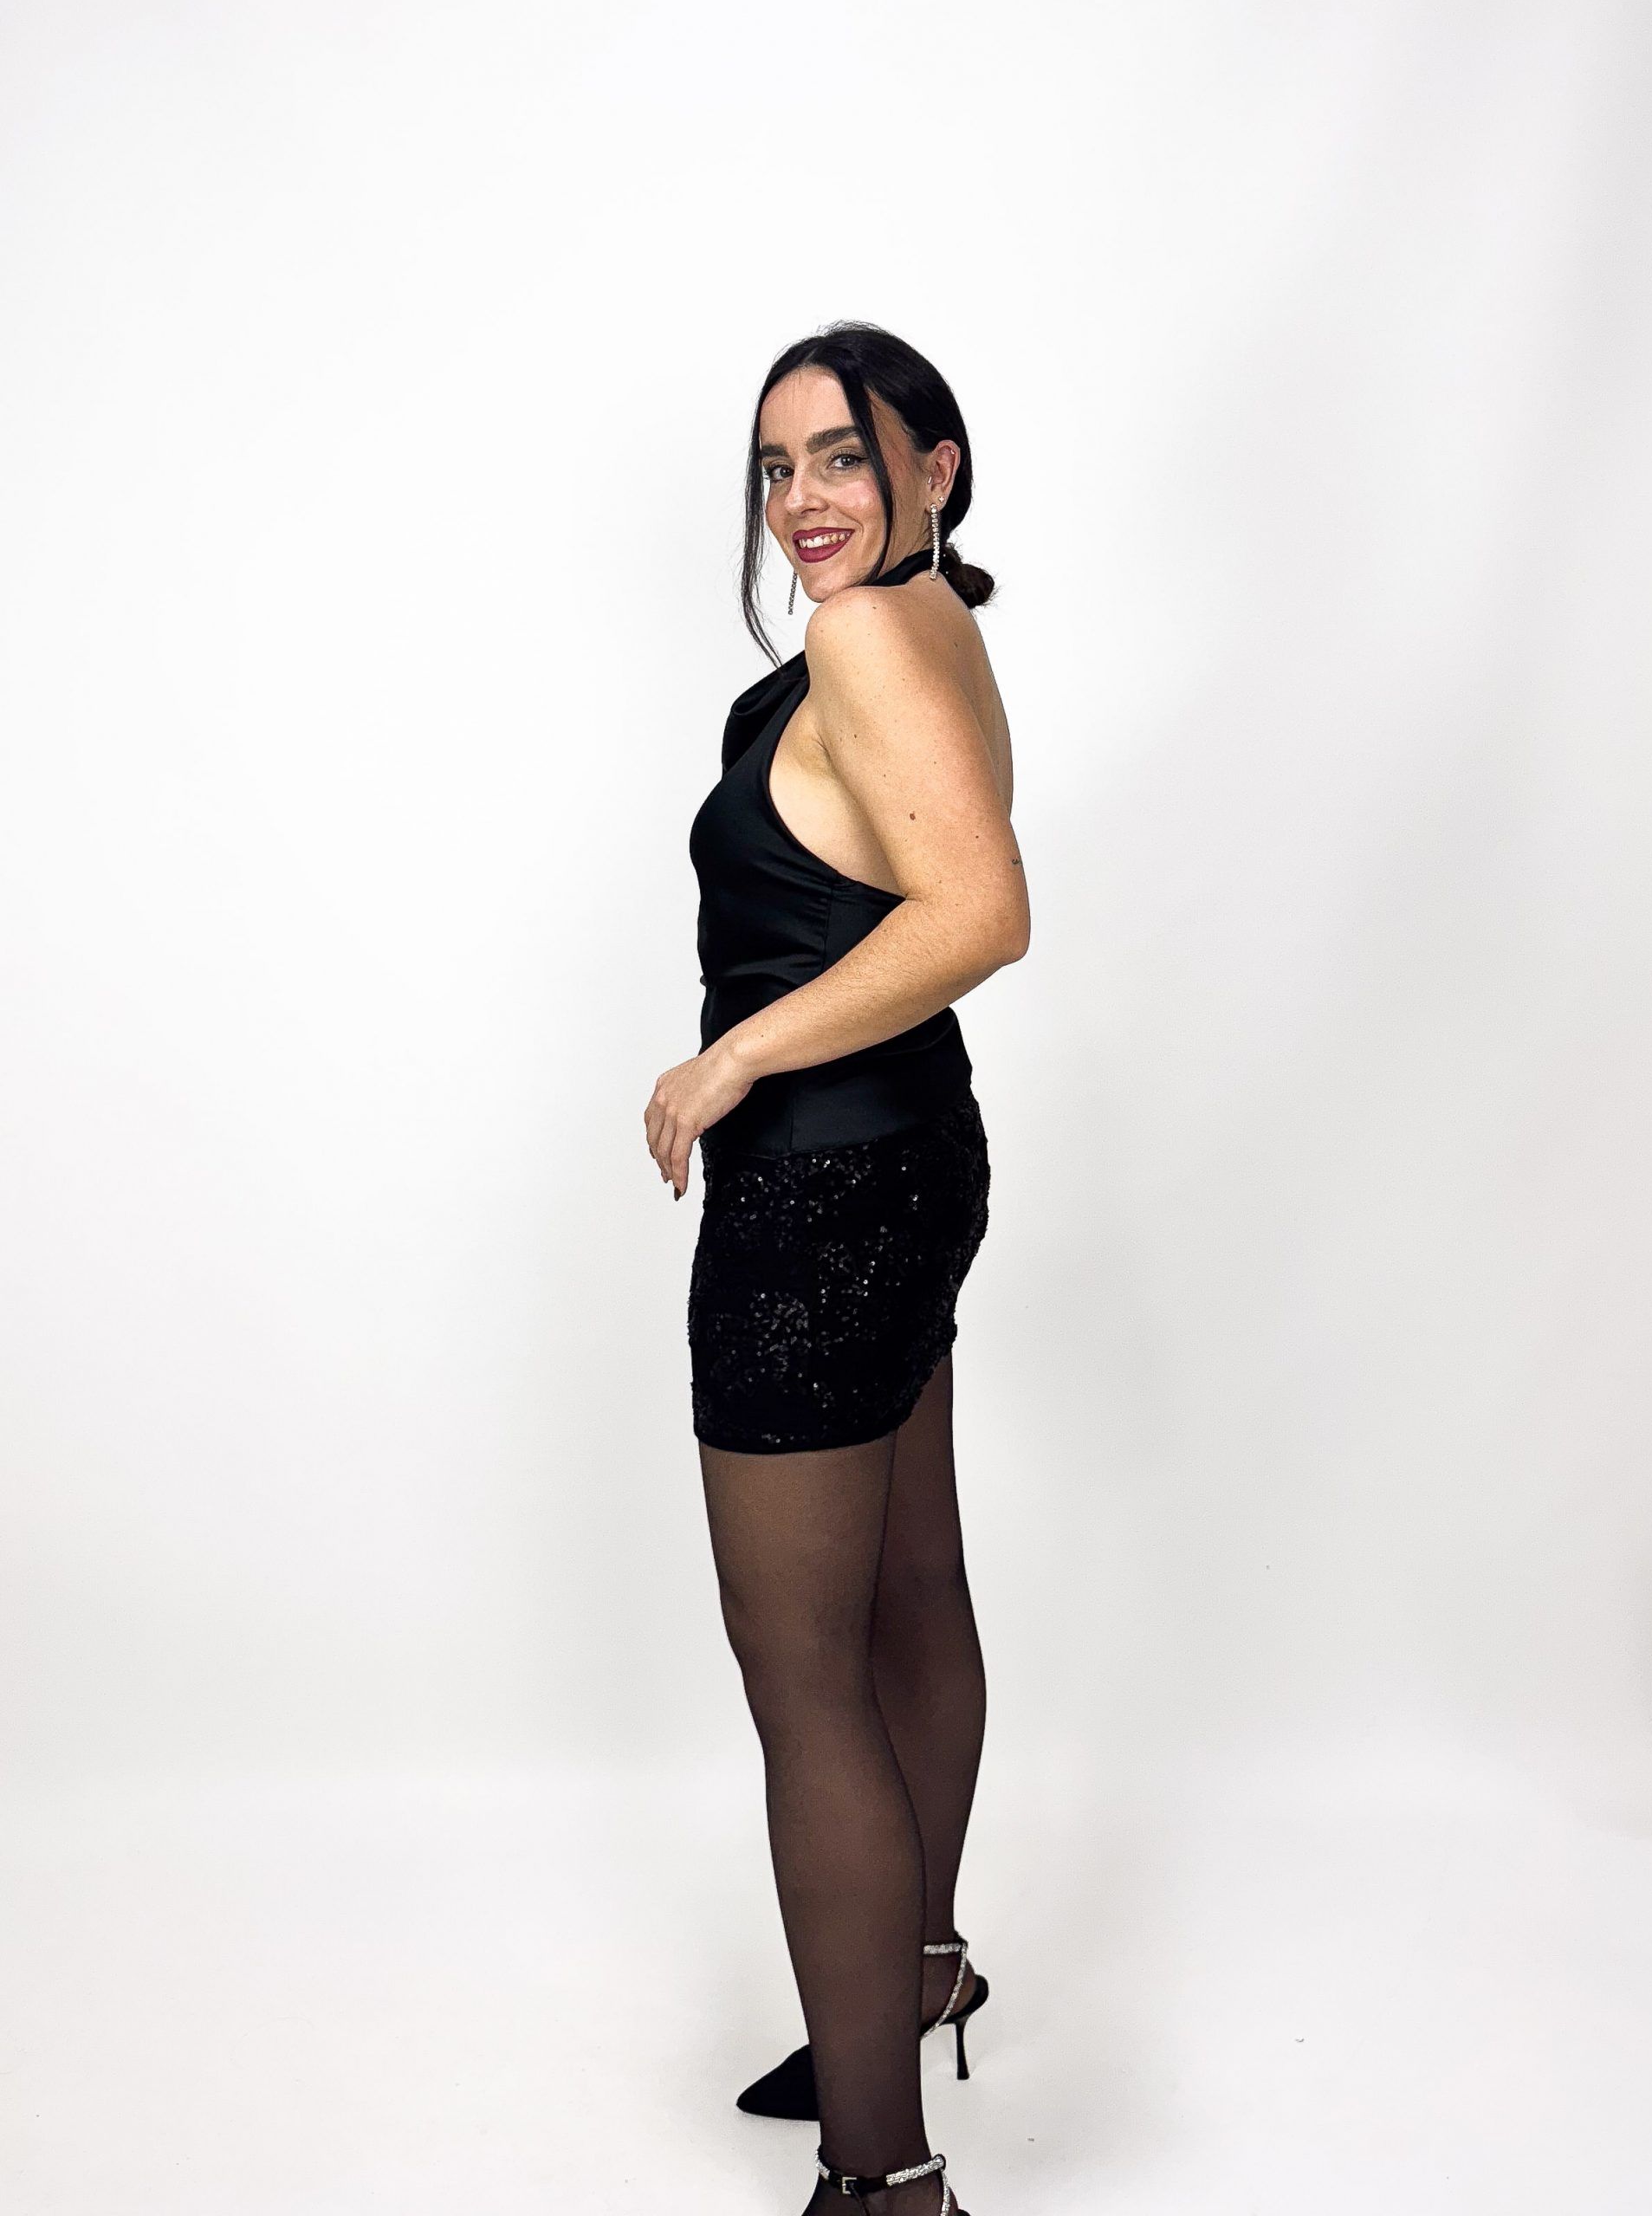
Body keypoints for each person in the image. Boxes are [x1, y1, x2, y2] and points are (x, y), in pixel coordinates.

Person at [645, 321, 1027, 2216]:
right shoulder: (936, 619)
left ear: (933, 469)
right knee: (911, 1592)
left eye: (844, 457)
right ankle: (917, 1966)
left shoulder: (874, 635)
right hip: (913, 1163)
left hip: (814, 1199)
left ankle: (884, 2180)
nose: (802, 498)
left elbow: (982, 910)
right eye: (776, 465)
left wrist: (736, 1057)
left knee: (805, 1679)